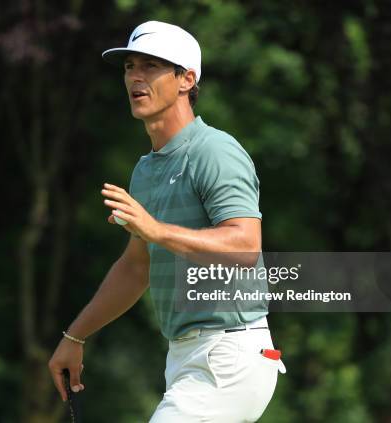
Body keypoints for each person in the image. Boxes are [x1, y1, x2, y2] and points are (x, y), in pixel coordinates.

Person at [48, 20, 285, 422]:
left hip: (229, 355)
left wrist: (156, 230)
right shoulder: (145, 170)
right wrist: (74, 337)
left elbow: (245, 246)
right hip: (184, 356)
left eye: (151, 65)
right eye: (129, 66)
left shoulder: (215, 152)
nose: (135, 77)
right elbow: (136, 266)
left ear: (186, 79)